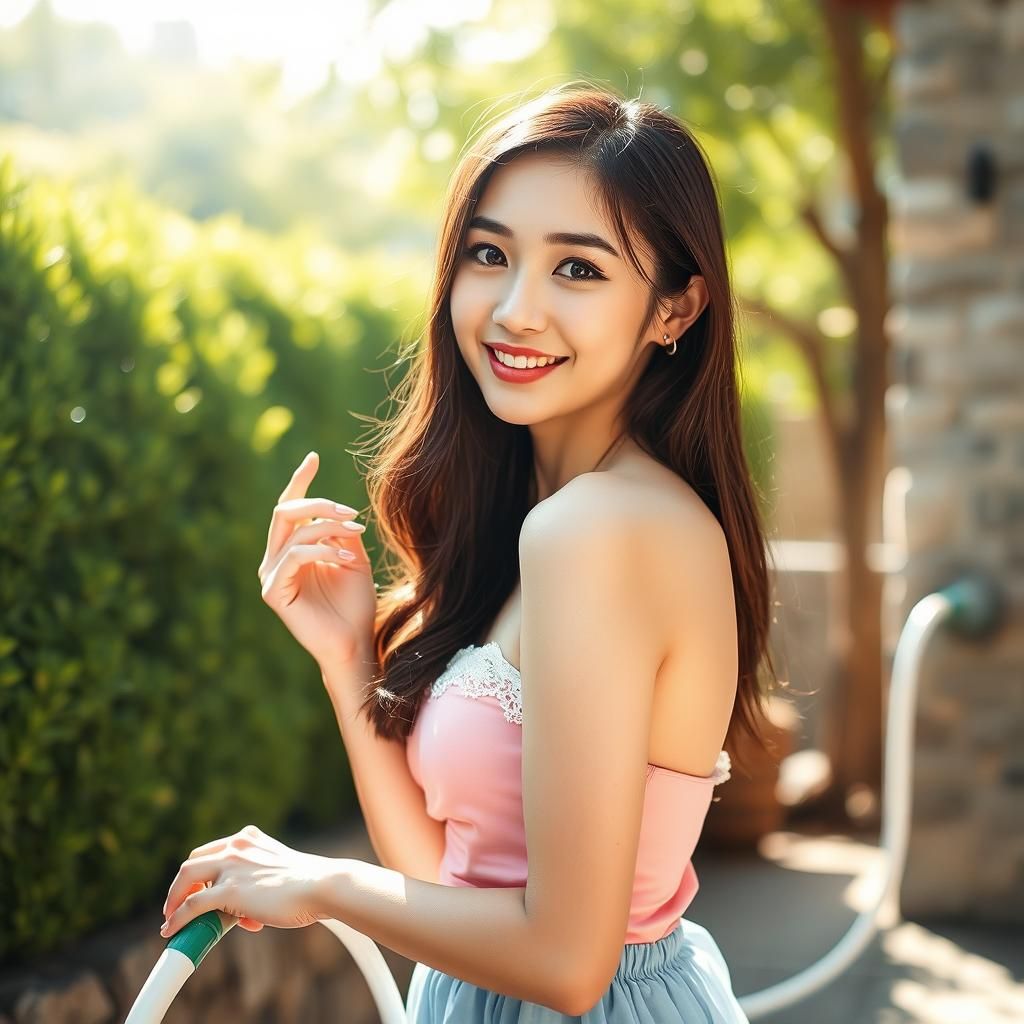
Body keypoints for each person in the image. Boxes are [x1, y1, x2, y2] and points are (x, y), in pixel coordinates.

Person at [161, 83, 778, 1022]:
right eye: (490, 255)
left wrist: (319, 883)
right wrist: (348, 659)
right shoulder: (559, 519)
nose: (515, 310)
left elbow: (568, 962)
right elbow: (451, 876)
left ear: (676, 309)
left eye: (578, 270)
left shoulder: (600, 531)